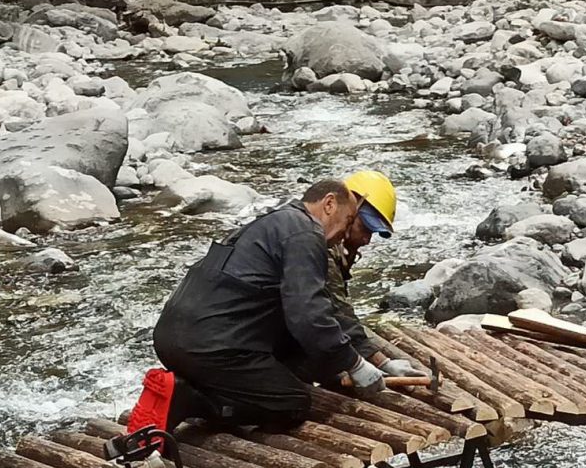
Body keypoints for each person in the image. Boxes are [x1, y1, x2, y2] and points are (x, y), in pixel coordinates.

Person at [126, 179, 388, 438]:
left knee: (297, 358)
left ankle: (189, 386)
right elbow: (310, 317)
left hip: (172, 337)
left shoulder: (273, 222)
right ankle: (191, 401)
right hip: (211, 347)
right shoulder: (306, 234)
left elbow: (316, 310)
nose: (345, 232)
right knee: (291, 404)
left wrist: (370, 359)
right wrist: (355, 364)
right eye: (348, 220)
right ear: (329, 204)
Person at [329, 170, 427, 378]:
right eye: (364, 228)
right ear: (347, 208)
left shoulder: (337, 247)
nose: (367, 240)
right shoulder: (320, 247)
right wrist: (379, 362)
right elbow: (338, 312)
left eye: (371, 233)